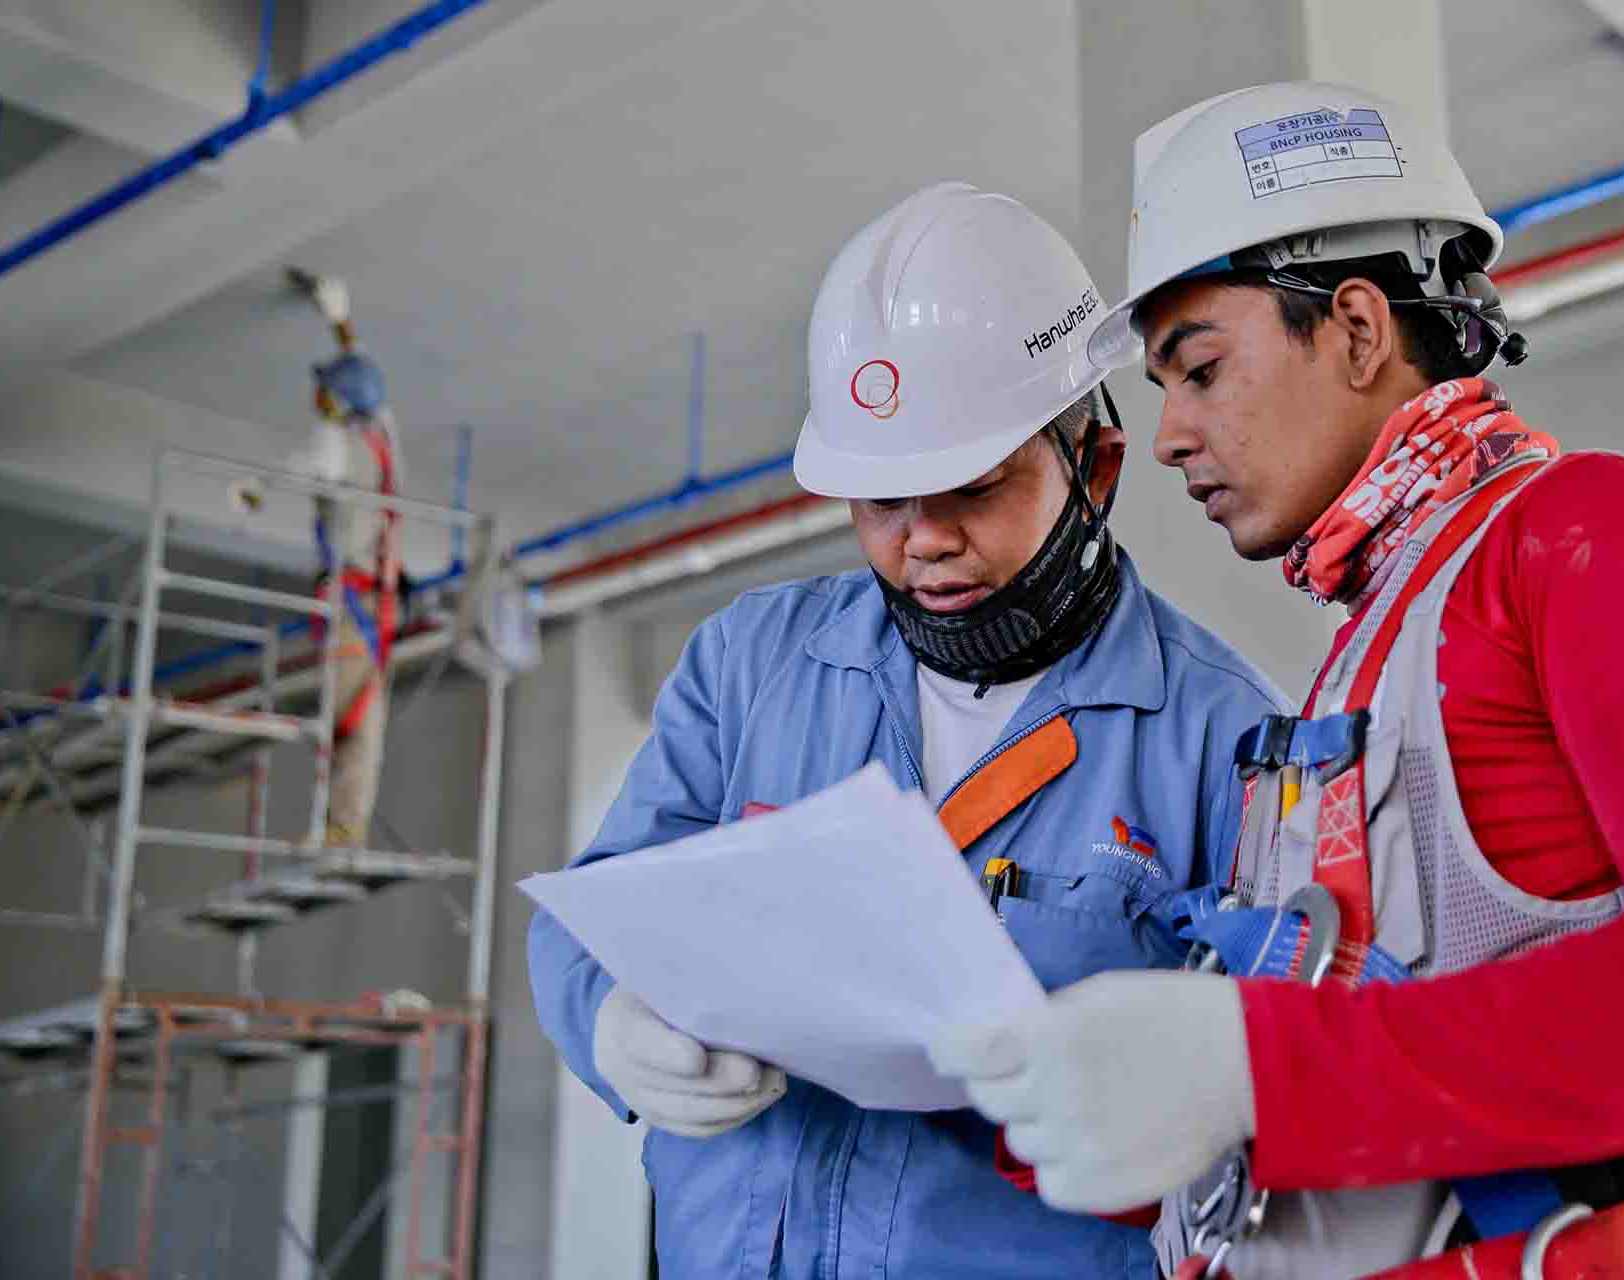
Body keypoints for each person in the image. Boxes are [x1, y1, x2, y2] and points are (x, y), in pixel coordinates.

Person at [928, 84, 1624, 1279]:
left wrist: (1254, 1068)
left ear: (1358, 328)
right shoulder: (1367, 658)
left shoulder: (1593, 535)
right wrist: (1114, 1093)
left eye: (1198, 370)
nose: (1167, 437)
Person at [527, 182, 1289, 1278]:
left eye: (971, 489)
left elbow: (1273, 1095)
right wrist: (612, 1022)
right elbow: (596, 906)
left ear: (1097, 469)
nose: (922, 540)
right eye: (881, 500)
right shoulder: (749, 666)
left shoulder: (1224, 738)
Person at [288, 270, 405, 848]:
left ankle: (339, 827)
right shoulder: (382, 437)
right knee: (359, 715)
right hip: (373, 599)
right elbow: (366, 377)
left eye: (323, 392)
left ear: (335, 403)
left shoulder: (335, 447)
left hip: (353, 603)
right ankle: (343, 824)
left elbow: (298, 465)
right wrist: (340, 320)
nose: (316, 398)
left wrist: (249, 494)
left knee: (347, 720)